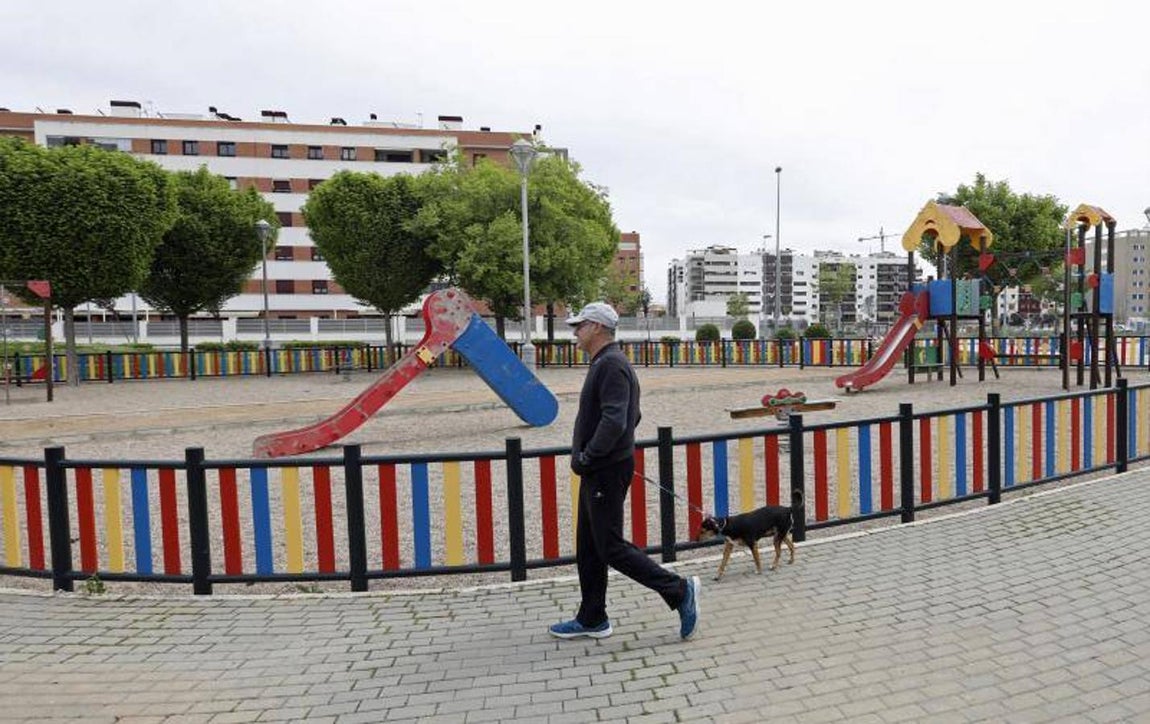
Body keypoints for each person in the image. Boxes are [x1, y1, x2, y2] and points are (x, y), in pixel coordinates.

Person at [549, 301, 700, 641]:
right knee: (589, 547)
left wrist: (589, 456)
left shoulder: (611, 365)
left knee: (610, 546)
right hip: (603, 469)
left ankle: (678, 590)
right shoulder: (607, 363)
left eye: (580, 325)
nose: (575, 331)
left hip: (603, 470)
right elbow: (634, 416)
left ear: (598, 328)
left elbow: (617, 420)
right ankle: (592, 617)